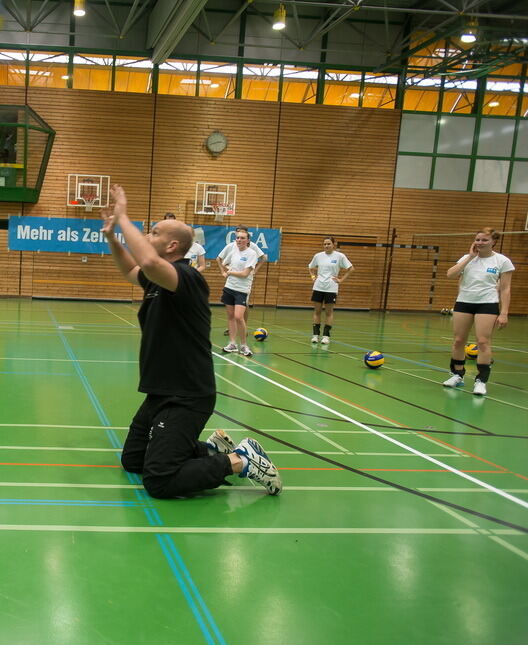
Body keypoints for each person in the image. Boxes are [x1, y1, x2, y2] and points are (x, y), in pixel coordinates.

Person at [100, 184, 281, 498]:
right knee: (133, 460)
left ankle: (242, 461)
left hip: (187, 395)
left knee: (159, 481)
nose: (148, 236)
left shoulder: (187, 278)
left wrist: (124, 217)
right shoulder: (157, 281)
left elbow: (149, 263)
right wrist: (112, 237)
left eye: (154, 232)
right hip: (160, 391)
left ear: (172, 245)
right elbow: (131, 268)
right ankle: (210, 450)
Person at [441, 227, 514, 396]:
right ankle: (457, 374)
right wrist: (469, 258)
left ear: (493, 242)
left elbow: (505, 289)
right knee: (458, 341)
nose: (480, 243)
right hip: (464, 302)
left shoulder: (502, 261)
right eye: (478, 239)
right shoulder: (467, 258)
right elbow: (450, 275)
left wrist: (504, 312)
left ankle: (481, 381)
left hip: (487, 304)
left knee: (483, 342)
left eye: (484, 240)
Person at [218, 228, 262, 357]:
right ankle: (232, 344)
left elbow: (245, 274)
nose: (239, 240)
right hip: (229, 287)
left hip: (242, 290)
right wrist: (227, 270)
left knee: (238, 317)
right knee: (231, 317)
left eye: (242, 238)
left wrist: (230, 272)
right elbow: (223, 263)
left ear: (248, 240)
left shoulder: (252, 254)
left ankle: (243, 345)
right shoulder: (233, 251)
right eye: (237, 237)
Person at [307, 236, 353, 344]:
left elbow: (351, 269)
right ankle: (315, 335)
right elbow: (310, 267)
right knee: (317, 311)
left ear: (333, 244)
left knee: (329, 312)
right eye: (324, 244)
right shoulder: (318, 256)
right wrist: (313, 277)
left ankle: (326, 336)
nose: (326, 246)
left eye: (328, 244)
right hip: (318, 287)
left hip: (331, 288)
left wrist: (341, 280)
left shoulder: (340, 256)